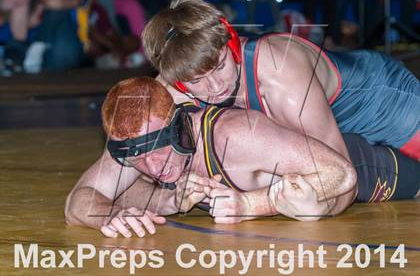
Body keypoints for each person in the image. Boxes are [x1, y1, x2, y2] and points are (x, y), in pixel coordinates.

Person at [65, 77, 420, 238]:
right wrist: (152, 203)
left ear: (178, 126)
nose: (153, 167)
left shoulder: (235, 135)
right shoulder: (136, 141)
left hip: (371, 165)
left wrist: (250, 205)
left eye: (158, 150)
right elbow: (78, 202)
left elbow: (341, 175)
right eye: (138, 160)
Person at [141, 0, 420, 161]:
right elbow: (117, 165)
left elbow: (336, 170)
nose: (215, 87)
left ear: (233, 42)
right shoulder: (171, 84)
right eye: (195, 81)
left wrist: (256, 202)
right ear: (174, 78)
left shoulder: (279, 71)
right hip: (333, 134)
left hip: (382, 104)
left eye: (220, 66)